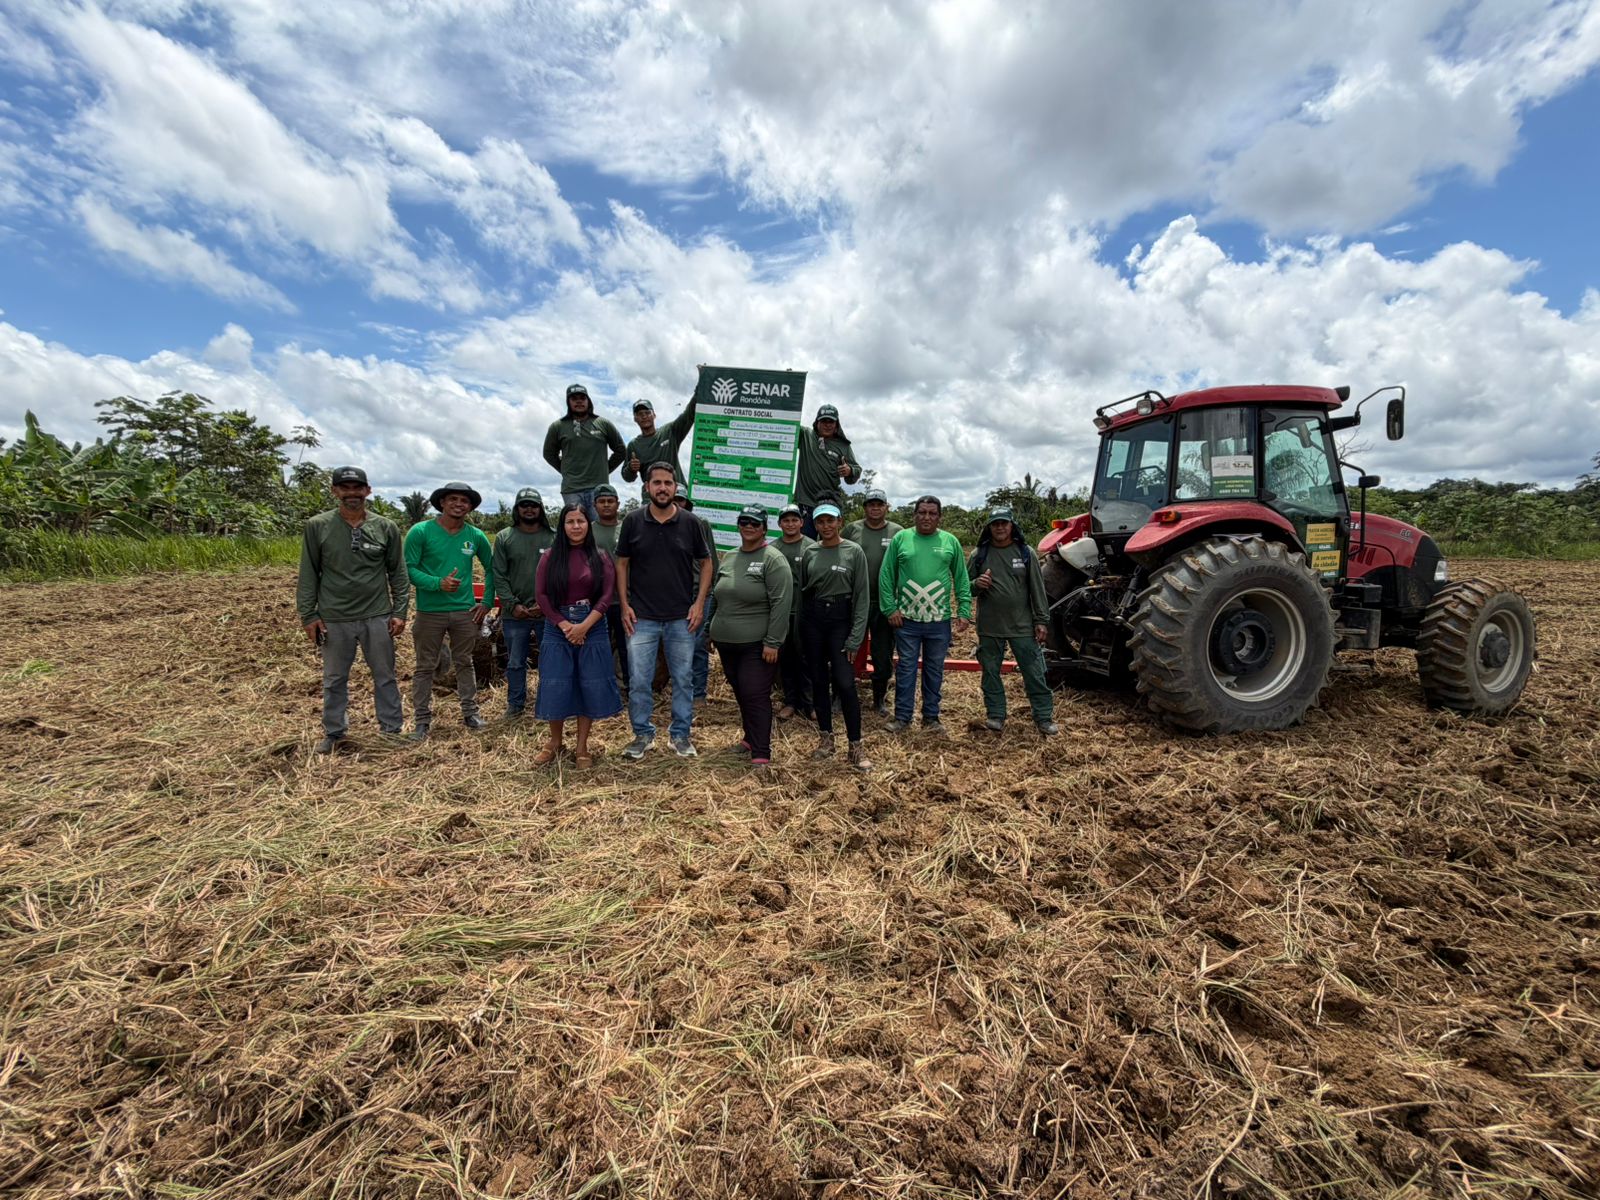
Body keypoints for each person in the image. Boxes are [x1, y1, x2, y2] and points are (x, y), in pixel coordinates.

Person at [296, 466, 409, 752]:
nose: (352, 493)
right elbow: (308, 572)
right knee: (334, 678)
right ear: (335, 491)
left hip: (377, 615)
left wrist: (399, 612)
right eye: (345, 488)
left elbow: (398, 572)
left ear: (368, 491)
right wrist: (309, 614)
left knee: (385, 675)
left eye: (357, 488)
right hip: (335, 617)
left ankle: (391, 730)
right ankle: (334, 733)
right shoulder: (318, 526)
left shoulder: (385, 527)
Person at [615, 462, 713, 759]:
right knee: (639, 680)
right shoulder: (633, 521)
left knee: (683, 679)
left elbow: (707, 563)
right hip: (641, 617)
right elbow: (622, 563)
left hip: (680, 618)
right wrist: (624, 605)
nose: (662, 488)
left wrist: (699, 603)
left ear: (674, 487)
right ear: (647, 487)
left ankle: (680, 736)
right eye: (656, 483)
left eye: (668, 483)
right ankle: (642, 735)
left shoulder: (691, 523)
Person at [532, 503, 624, 767]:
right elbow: (541, 595)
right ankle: (555, 741)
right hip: (557, 625)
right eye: (570, 521)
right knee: (556, 683)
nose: (575, 526)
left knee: (589, 684)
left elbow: (606, 596)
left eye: (580, 521)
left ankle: (582, 746)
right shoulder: (550, 557)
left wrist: (584, 626)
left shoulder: (600, 557)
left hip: (592, 625)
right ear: (562, 526)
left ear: (588, 524)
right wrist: (564, 625)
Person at [405, 481, 495, 739]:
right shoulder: (420, 532)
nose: (458, 504)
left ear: (470, 507)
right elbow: (409, 569)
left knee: (464, 661)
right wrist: (437, 583)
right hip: (429, 612)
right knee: (425, 666)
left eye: (464, 501)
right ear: (442, 502)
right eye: (453, 499)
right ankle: (422, 721)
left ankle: (470, 713)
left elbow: (492, 569)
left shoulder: (475, 536)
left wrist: (487, 602)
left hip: (465, 612)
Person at [709, 504, 793, 771]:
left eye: (755, 523)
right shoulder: (730, 556)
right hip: (726, 642)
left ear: (764, 529)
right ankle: (749, 738)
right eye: (744, 522)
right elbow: (717, 594)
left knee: (755, 694)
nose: (748, 527)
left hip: (757, 645)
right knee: (741, 692)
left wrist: (773, 641)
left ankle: (761, 751)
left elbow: (781, 603)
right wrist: (709, 629)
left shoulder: (773, 559)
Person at [879, 495, 971, 735]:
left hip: (939, 621)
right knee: (906, 669)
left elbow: (961, 577)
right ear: (914, 515)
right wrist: (890, 608)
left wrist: (964, 610)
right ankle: (902, 717)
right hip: (906, 620)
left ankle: (931, 718)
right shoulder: (901, 539)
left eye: (932, 513)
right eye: (922, 512)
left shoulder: (950, 541)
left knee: (934, 670)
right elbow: (886, 575)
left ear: (940, 517)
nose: (926, 517)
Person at [969, 507, 1059, 736]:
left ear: (1012, 526)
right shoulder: (979, 554)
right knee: (990, 673)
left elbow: (1037, 589)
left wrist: (1041, 620)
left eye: (1004, 523)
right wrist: (977, 584)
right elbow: (965, 588)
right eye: (995, 524)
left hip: (1022, 626)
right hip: (990, 627)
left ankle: (1043, 717)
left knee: (1034, 672)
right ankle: (996, 715)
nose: (1000, 527)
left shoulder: (1025, 553)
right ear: (989, 527)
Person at [798, 503, 873, 771]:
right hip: (814, 620)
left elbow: (862, 597)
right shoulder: (810, 552)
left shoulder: (853, 552)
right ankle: (826, 739)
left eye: (830, 521)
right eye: (820, 522)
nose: (826, 526)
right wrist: (800, 631)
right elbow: (803, 593)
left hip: (841, 620)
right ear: (815, 525)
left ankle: (855, 746)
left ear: (840, 522)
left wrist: (855, 637)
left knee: (845, 682)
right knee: (819, 681)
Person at [492, 488, 556, 721]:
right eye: (524, 505)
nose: (529, 509)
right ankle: (515, 704)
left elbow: (560, 574)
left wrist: (547, 604)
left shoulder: (554, 537)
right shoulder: (504, 537)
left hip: (547, 613)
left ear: (541, 509)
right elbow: (499, 575)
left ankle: (548, 703)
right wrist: (512, 604)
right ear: (517, 509)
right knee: (516, 661)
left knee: (550, 660)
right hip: (515, 614)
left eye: (534, 505)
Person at [842, 487, 903, 716]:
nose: (875, 508)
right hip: (854, 601)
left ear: (887, 507)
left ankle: (879, 699)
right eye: (871, 504)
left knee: (882, 653)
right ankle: (841, 695)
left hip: (884, 603)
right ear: (865, 507)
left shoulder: (898, 532)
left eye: (879, 504)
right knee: (847, 648)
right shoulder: (852, 529)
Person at [541, 382, 626, 520]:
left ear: (588, 400)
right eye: (574, 398)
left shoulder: (603, 424)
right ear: (568, 402)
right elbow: (549, 454)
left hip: (598, 489)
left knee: (598, 528)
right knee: (577, 527)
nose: (579, 401)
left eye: (582, 398)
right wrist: (565, 471)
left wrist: (605, 469)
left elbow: (621, 450)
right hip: (572, 490)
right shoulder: (558, 426)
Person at [674, 482, 719, 702]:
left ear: (687, 503)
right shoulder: (661, 526)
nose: (677, 504)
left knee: (699, 645)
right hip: (676, 595)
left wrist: (712, 590)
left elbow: (711, 560)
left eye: (681, 500)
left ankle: (698, 693)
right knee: (677, 646)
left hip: (701, 593)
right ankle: (679, 691)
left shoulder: (700, 523)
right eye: (674, 499)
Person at [792, 403, 861, 536]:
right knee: (806, 542)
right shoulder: (806, 435)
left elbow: (856, 471)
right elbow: (787, 426)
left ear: (836, 424)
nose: (827, 425)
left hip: (830, 504)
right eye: (824, 421)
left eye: (831, 421)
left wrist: (849, 470)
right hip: (806, 502)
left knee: (830, 541)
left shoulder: (843, 446)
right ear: (817, 422)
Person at [773, 504, 814, 721]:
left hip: (805, 612)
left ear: (801, 523)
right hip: (781, 613)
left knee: (806, 658)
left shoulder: (811, 547)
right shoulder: (773, 548)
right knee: (786, 658)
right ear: (779, 523)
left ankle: (810, 703)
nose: (790, 524)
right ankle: (790, 702)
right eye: (786, 520)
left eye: (794, 520)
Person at [590, 483, 628, 687]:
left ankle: (627, 688)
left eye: (610, 501)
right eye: (602, 501)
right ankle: (601, 688)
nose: (606, 505)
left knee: (625, 648)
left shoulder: (627, 529)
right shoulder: (588, 531)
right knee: (599, 646)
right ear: (594, 505)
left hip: (624, 601)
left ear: (618, 504)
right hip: (597, 602)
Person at [621, 396, 698, 495]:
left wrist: (699, 391)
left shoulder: (669, 431)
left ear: (654, 415)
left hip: (677, 494)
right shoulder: (633, 445)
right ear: (635, 419)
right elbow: (627, 477)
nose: (644, 416)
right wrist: (631, 469)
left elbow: (689, 414)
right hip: (651, 496)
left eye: (647, 413)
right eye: (640, 414)